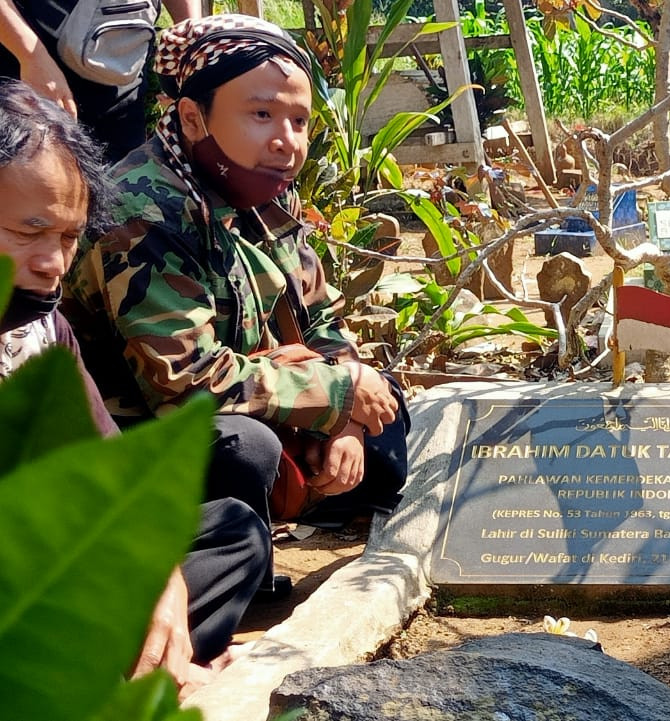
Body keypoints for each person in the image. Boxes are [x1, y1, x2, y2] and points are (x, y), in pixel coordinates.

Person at [64, 14, 409, 551]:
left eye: (299, 121)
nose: (285, 141)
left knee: (385, 410)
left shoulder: (260, 189)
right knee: (244, 449)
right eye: (262, 114)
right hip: (138, 433)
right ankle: (215, 553)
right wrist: (337, 392)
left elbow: (321, 320)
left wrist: (347, 422)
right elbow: (185, 385)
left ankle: (277, 515)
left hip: (259, 391)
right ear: (193, 119)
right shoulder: (143, 210)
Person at [0, 78, 267, 699]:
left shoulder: (42, 325)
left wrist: (161, 580)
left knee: (232, 533)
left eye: (68, 238)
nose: (53, 262)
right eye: (27, 232)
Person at [0, 0, 201, 163]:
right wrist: (30, 57)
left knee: (118, 197)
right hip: (31, 70)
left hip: (123, 80)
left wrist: (192, 43)